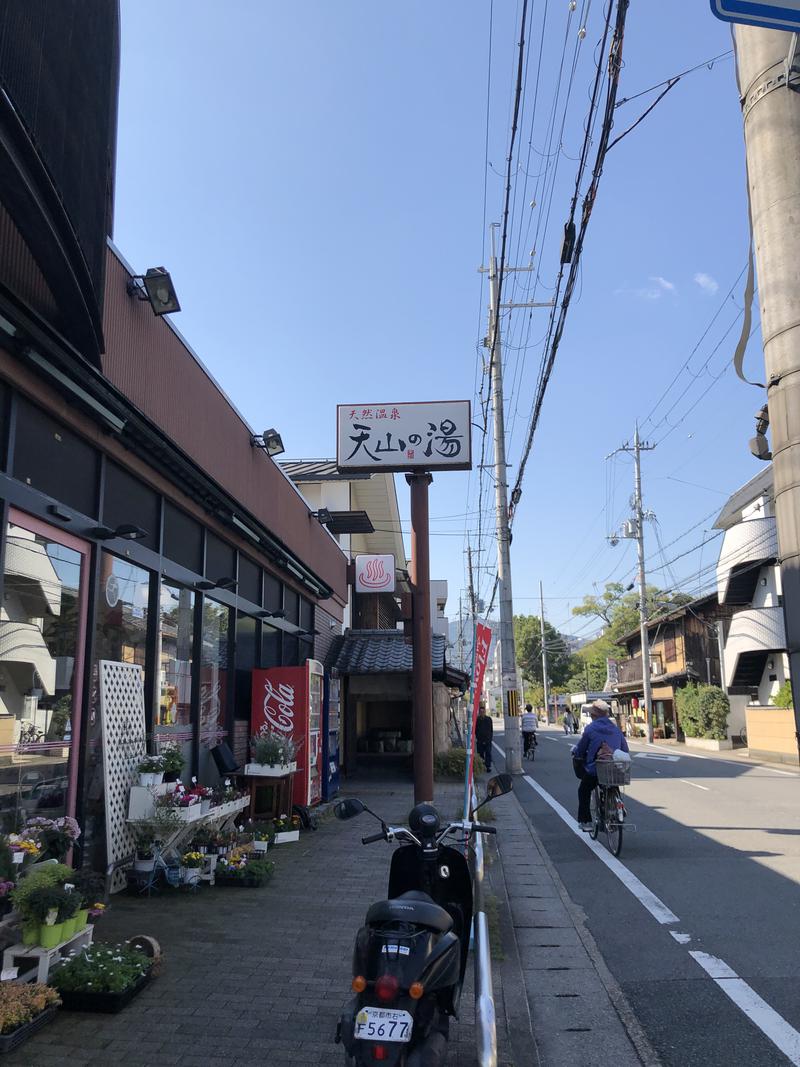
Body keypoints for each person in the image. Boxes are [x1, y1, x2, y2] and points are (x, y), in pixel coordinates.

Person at [571, 699, 629, 831]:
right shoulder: (616, 729)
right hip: (615, 768)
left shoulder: (590, 729)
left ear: (594, 715)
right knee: (612, 782)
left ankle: (585, 821)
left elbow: (581, 749)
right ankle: (617, 806)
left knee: (584, 790)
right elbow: (625, 749)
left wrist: (577, 753)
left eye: (592, 714)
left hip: (596, 768)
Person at [475, 704, 493, 772]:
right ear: (479, 712)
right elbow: (475, 730)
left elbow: (491, 729)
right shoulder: (477, 720)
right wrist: (477, 737)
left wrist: (490, 738)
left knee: (488, 753)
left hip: (488, 739)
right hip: (480, 740)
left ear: (485, 712)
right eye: (481, 712)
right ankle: (482, 766)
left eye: (483, 712)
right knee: (480, 754)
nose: (482, 713)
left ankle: (488, 766)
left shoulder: (488, 719)